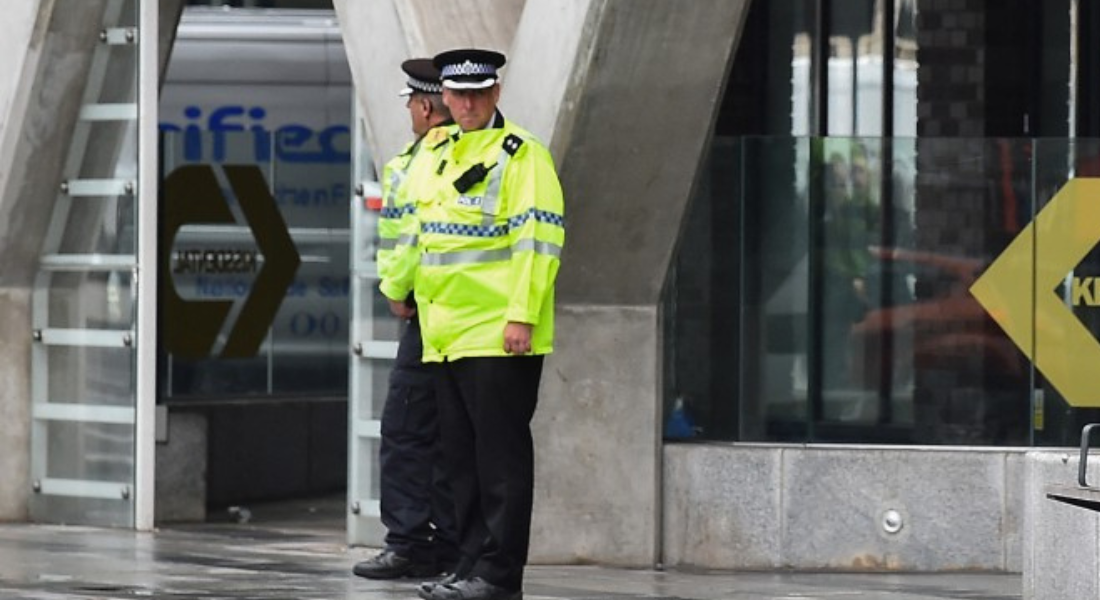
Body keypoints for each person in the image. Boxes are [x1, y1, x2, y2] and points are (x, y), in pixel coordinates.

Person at [379, 48, 565, 600]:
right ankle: (467, 565)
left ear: (495, 94)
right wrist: (397, 288)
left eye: (476, 94)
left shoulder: (521, 155)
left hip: (497, 334)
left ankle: (499, 576)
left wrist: (521, 317)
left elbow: (539, 242)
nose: (465, 104)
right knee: (458, 463)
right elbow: (419, 230)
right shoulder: (440, 155)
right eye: (457, 95)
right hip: (443, 336)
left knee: (499, 463)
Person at [352, 58, 460, 581]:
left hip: (427, 313)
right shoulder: (478, 153)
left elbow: (406, 238)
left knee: (405, 431)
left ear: (422, 106)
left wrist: (396, 290)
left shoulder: (419, 162)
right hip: (470, 317)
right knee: (451, 436)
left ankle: (411, 544)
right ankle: (449, 542)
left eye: (410, 106)